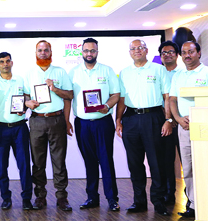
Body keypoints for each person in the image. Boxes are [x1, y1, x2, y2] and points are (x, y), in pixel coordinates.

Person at [116, 39, 172, 216]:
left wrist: (168, 120)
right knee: (135, 164)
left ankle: (158, 201)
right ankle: (139, 201)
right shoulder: (124, 72)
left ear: (146, 50)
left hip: (154, 117)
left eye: (140, 48)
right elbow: (122, 100)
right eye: (133, 48)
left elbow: (167, 96)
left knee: (157, 162)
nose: (137, 51)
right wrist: (118, 120)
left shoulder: (158, 69)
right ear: (130, 52)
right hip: (131, 119)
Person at [66, 38, 120, 211]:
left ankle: (112, 199)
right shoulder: (73, 72)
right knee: (89, 161)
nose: (89, 53)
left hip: (103, 123)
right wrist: (66, 120)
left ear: (97, 52)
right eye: (86, 51)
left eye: (93, 51)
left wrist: (107, 106)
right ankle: (92, 198)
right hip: (82, 124)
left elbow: (115, 94)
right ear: (81, 52)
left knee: (106, 160)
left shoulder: (107, 70)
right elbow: (68, 97)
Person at [169, 41, 208, 218]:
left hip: (204, 126)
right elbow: (172, 100)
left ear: (199, 53)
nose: (187, 55)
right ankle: (194, 204)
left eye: (191, 52)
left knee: (206, 166)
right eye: (184, 53)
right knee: (189, 168)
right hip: (184, 127)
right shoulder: (178, 75)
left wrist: (200, 117)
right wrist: (177, 119)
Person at [24, 40, 73, 211]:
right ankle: (40, 197)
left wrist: (55, 89)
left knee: (59, 161)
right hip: (37, 120)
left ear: (51, 52)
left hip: (56, 120)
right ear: (35, 53)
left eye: (46, 50)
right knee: (38, 162)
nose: (43, 53)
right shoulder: (29, 73)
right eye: (40, 50)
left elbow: (70, 95)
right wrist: (28, 102)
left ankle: (62, 198)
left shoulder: (60, 72)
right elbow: (23, 96)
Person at [0, 52, 35, 210]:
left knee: (24, 165)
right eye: (2, 62)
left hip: (20, 127)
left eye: (8, 61)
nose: (5, 64)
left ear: (12, 63)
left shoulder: (20, 80)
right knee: (2, 166)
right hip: (1, 128)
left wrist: (26, 106)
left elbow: (26, 99)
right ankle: (5, 198)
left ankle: (27, 197)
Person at [157, 40, 182, 205]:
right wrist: (168, 119)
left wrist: (174, 118)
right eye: (164, 53)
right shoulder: (157, 72)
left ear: (177, 54)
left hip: (183, 121)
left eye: (171, 52)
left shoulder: (183, 72)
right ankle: (168, 193)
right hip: (164, 122)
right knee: (166, 160)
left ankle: (192, 197)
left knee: (187, 160)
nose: (167, 55)